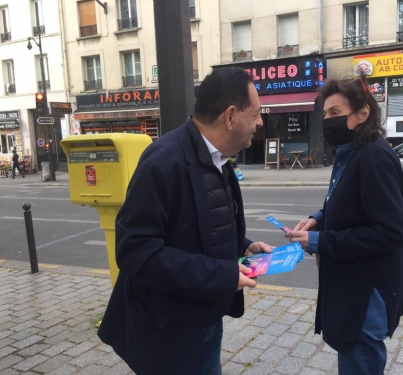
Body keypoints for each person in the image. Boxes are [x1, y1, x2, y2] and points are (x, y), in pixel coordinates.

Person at [98, 67, 273, 374]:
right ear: (230, 117)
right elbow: (136, 252)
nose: (260, 122)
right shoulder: (163, 161)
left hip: (205, 320)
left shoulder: (218, 157)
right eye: (256, 113)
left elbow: (205, 224)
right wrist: (222, 276)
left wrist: (244, 248)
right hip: (169, 331)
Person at [284, 75, 403, 375]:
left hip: (366, 295)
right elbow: (352, 205)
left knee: (361, 363)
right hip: (355, 289)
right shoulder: (352, 152)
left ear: (362, 114)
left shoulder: (373, 157)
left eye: (335, 113)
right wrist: (319, 218)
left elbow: (393, 232)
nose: (327, 120)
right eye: (325, 114)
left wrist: (318, 242)